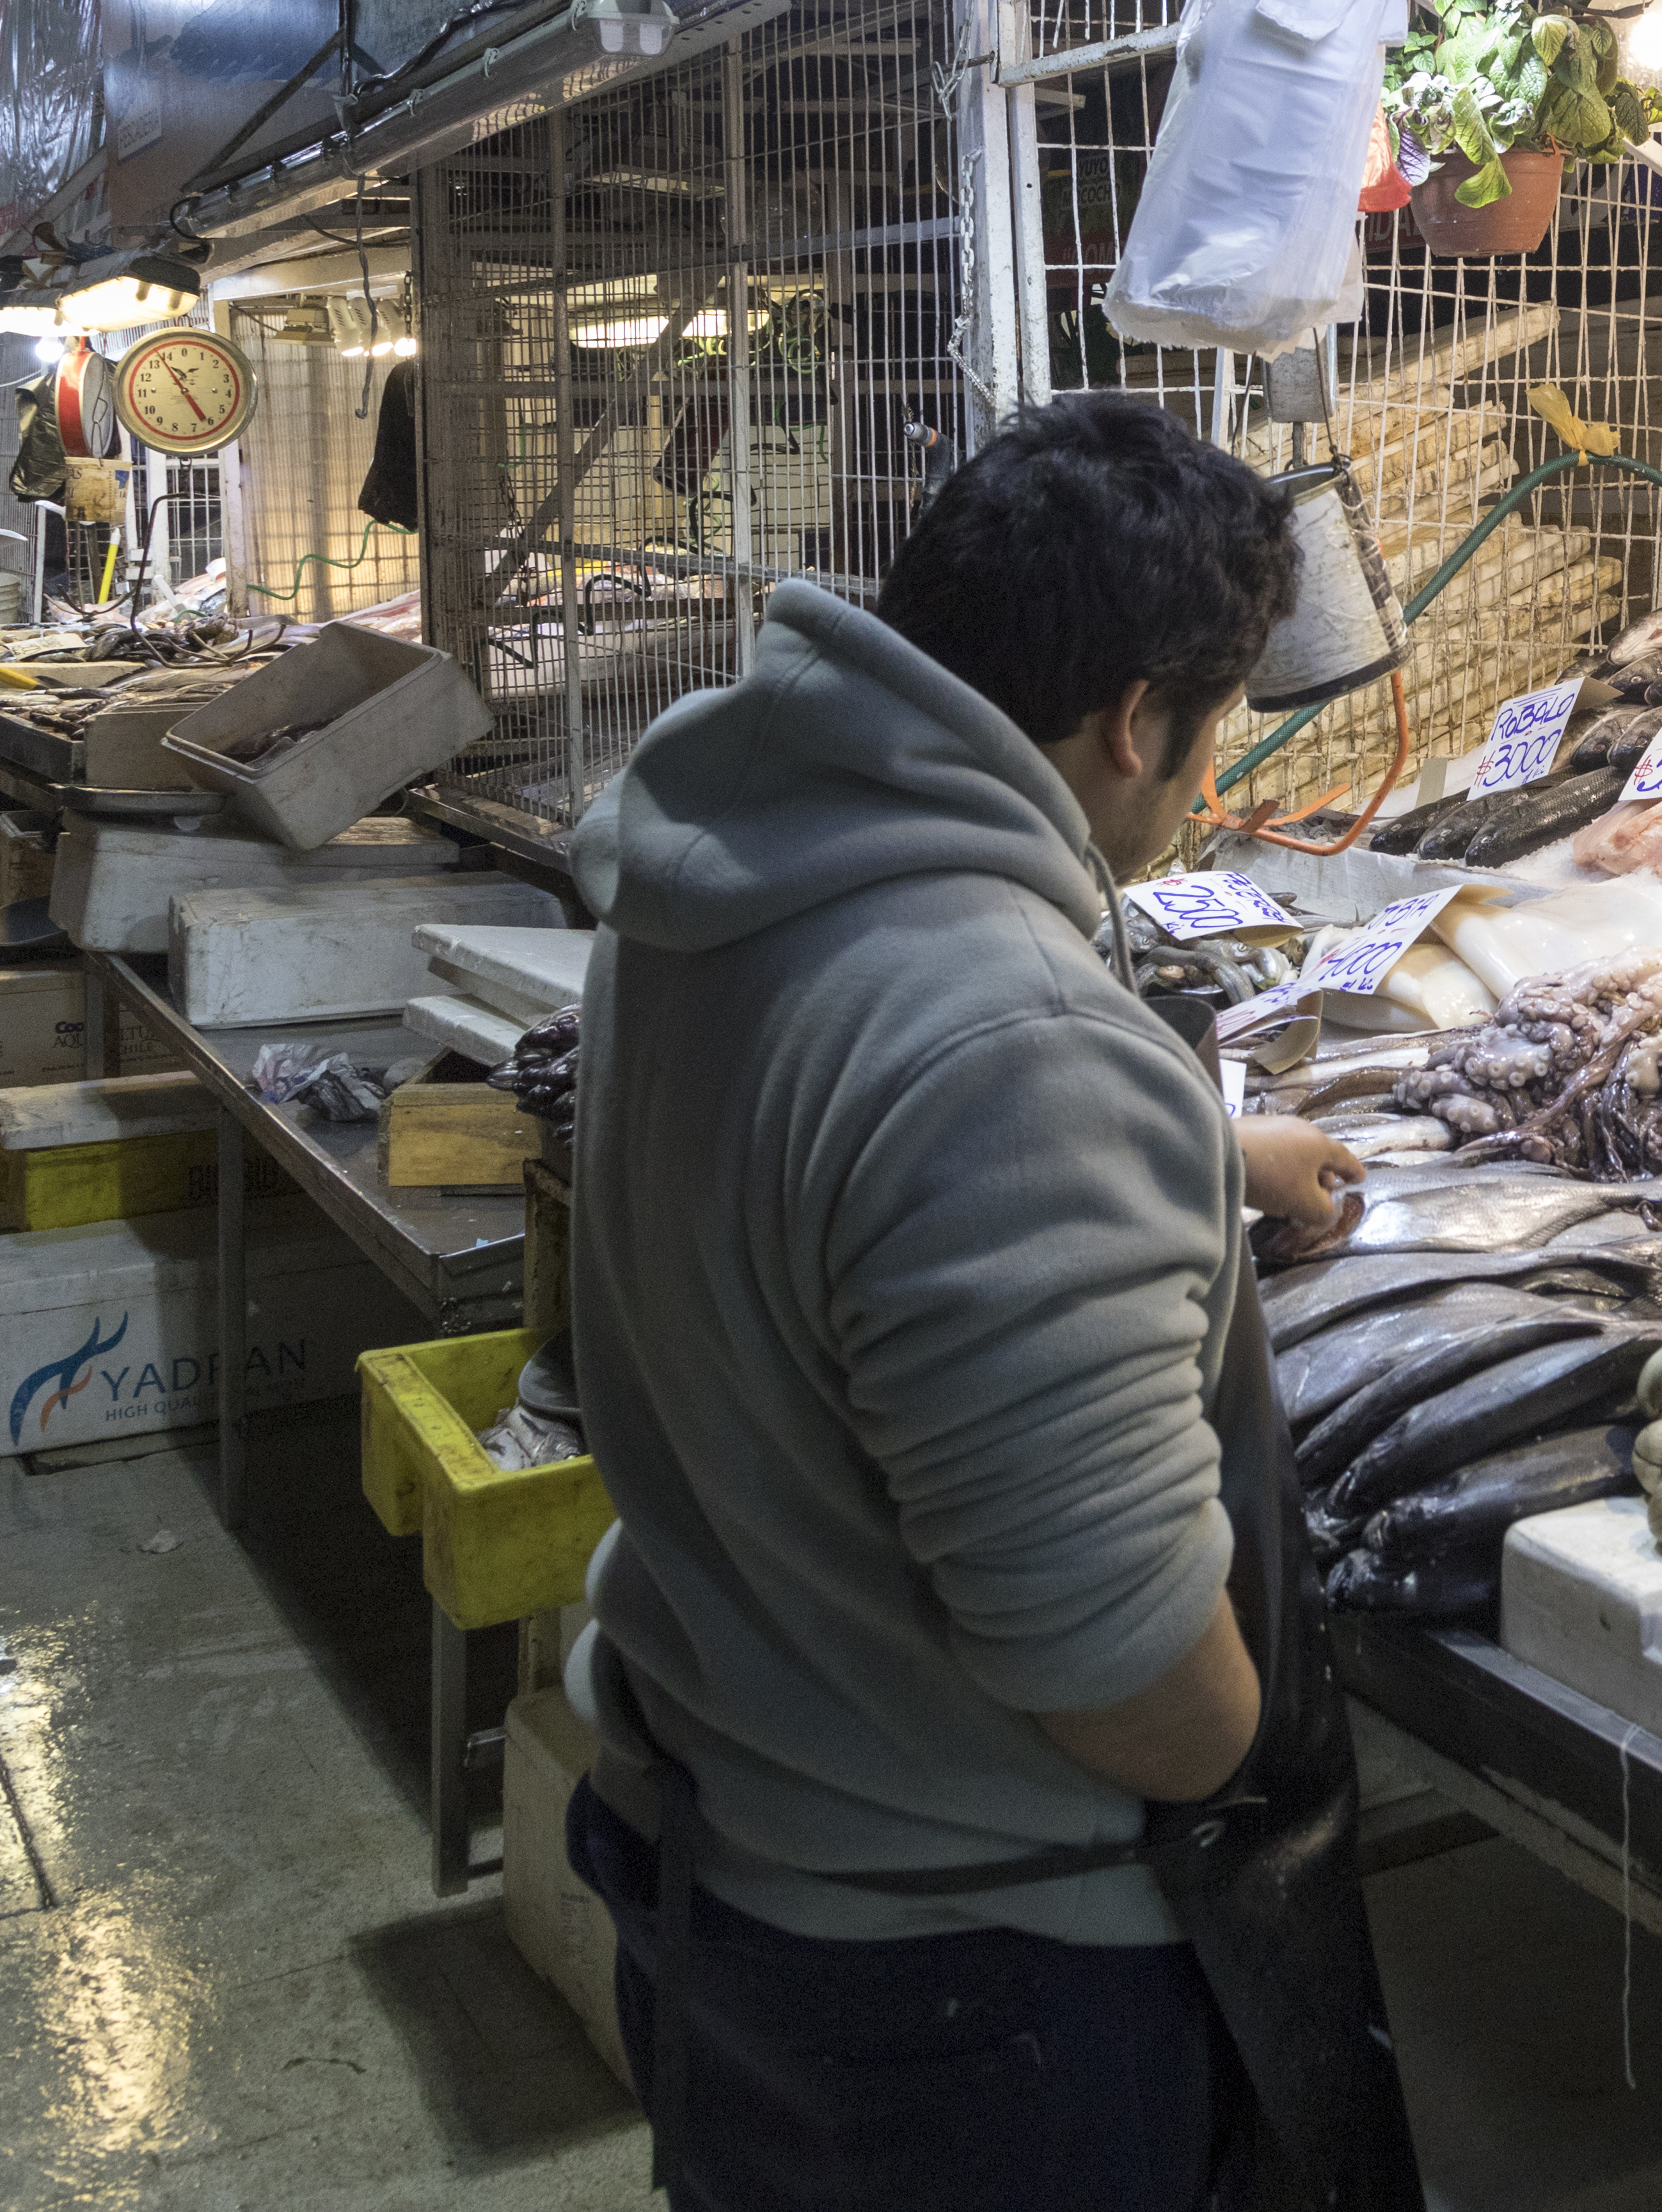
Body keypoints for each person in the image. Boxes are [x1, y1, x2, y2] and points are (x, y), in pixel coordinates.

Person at [560, 398, 1416, 2212]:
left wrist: (1196, 1142)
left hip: (722, 1847)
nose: (1207, 788)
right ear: (1133, 724)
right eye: (1214, 739)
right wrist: (1253, 1745)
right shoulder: (1010, 1048)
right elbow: (1128, 1685)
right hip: (959, 1985)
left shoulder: (719, 871)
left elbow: (836, 1127)